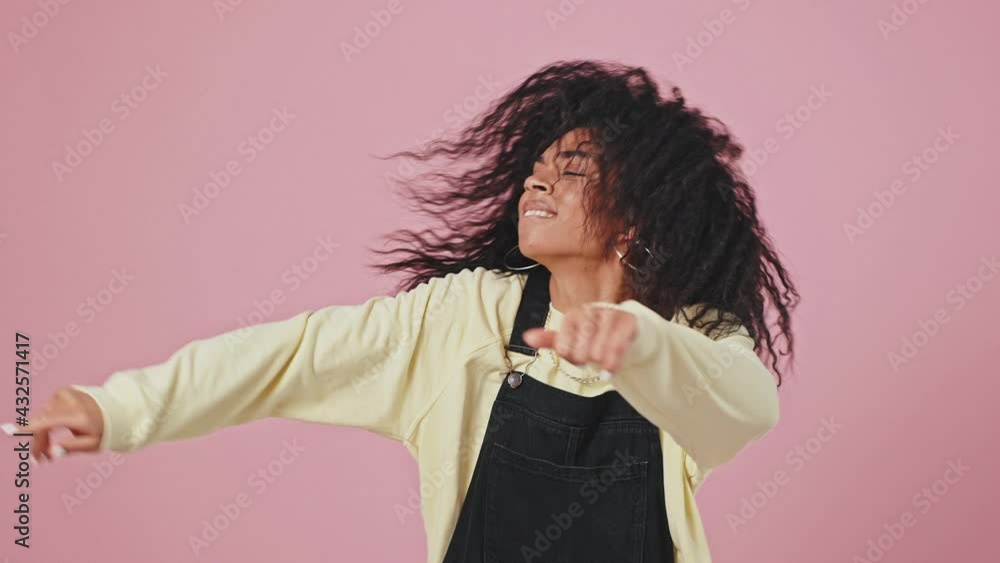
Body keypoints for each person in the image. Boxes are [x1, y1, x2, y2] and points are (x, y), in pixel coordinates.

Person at [17, 60, 799, 562]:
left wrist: (639, 345)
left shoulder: (695, 337)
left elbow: (745, 409)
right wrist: (119, 407)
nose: (534, 184)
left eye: (570, 170)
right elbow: (293, 355)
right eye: (532, 170)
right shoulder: (463, 318)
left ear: (634, 215)